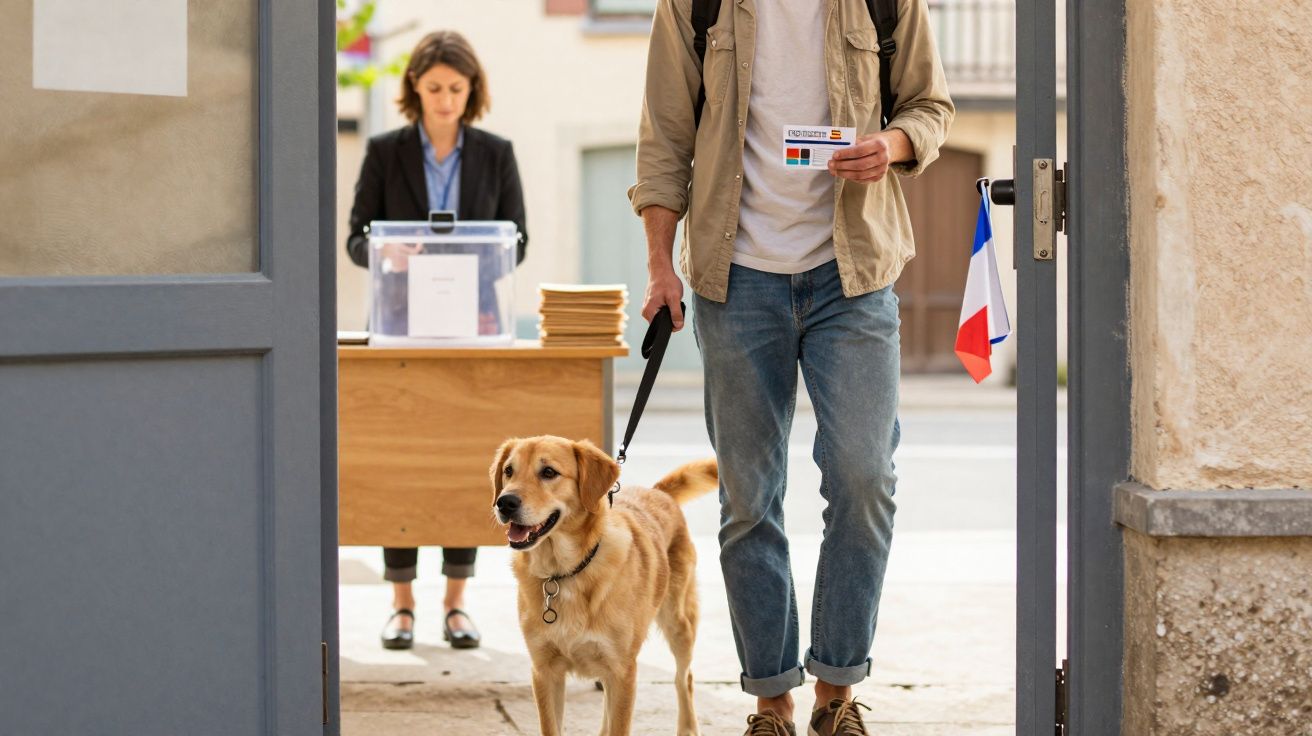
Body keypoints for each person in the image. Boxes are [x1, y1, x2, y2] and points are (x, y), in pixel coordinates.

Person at [629, 1, 953, 734]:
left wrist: (896, 144)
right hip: (736, 277)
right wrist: (660, 263)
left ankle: (836, 694)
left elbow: (930, 104)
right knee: (749, 499)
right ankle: (770, 700)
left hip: (855, 272)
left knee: (864, 478)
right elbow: (664, 136)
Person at [346, 29, 528, 651]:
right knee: (403, 458)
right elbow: (354, 238)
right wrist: (382, 246)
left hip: (473, 326)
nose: (445, 99)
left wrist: (476, 259)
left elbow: (517, 238)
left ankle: (456, 603)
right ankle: (401, 605)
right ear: (414, 90)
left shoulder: (495, 153)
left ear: (471, 90)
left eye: (456, 88)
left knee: (460, 457)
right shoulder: (385, 150)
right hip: (402, 325)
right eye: (434, 89)